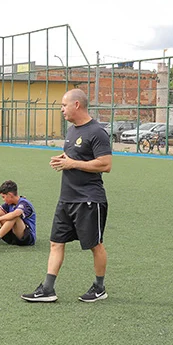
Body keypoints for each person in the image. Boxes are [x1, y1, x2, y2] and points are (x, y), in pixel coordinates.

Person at [22, 89, 112, 303]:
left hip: (89, 199)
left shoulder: (97, 131)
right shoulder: (72, 131)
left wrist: (72, 163)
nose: (61, 109)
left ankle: (99, 288)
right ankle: (47, 289)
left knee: (95, 244)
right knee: (55, 242)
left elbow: (106, 164)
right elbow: (75, 156)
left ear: (77, 105)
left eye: (64, 105)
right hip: (67, 198)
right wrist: (63, 158)